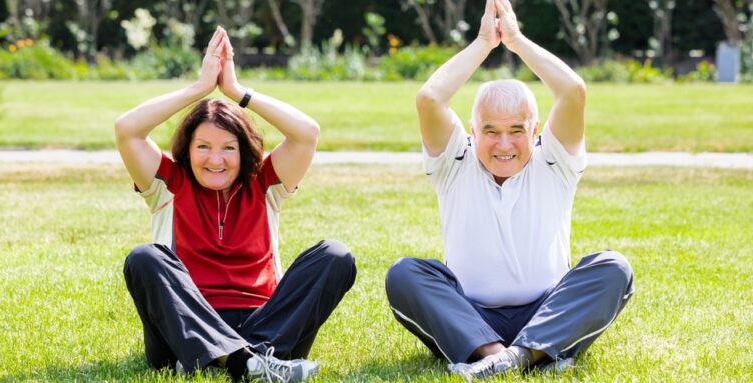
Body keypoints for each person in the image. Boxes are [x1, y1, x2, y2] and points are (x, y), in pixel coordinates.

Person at [384, 0, 634, 379]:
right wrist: (485, 42)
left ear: (535, 132)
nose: (504, 144)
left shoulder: (553, 161)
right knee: (404, 275)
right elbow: (429, 99)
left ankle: (512, 357)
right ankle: (502, 352)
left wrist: (515, 40)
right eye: (491, 131)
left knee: (614, 269)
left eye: (517, 130)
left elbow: (572, 91)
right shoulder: (455, 163)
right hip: (468, 315)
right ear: (472, 132)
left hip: (548, 310)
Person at [115, 26, 356, 383]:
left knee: (335, 255)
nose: (216, 160)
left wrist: (237, 92)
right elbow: (127, 129)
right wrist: (199, 88)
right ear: (187, 150)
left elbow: (307, 133)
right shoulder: (169, 185)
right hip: (185, 328)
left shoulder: (265, 184)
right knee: (144, 258)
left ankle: (240, 359)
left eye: (228, 147)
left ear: (244, 152)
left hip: (266, 323)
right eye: (203, 147)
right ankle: (245, 361)